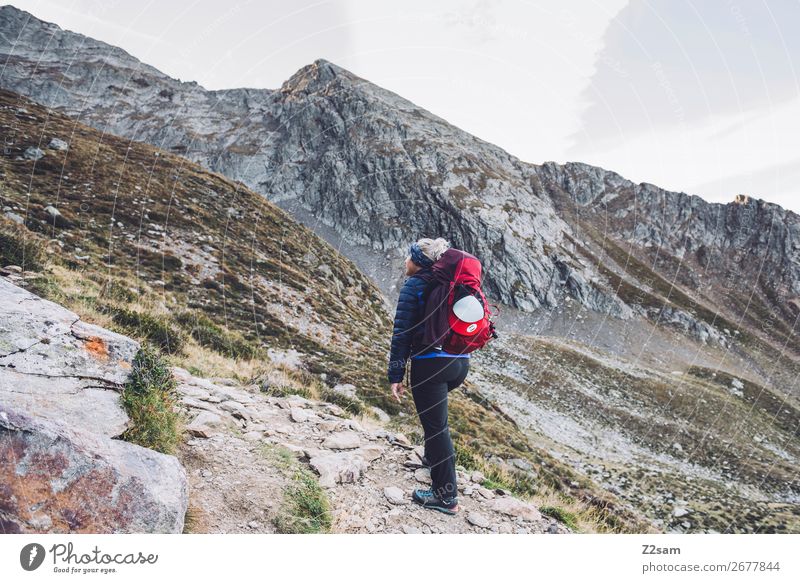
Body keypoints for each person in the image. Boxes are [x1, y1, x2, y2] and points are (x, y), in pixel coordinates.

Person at [387, 237, 470, 515]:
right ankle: (433, 460)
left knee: (437, 429)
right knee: (436, 422)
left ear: (418, 262)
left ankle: (445, 497)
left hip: (431, 365)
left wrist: (395, 374)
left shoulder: (416, 285)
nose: (405, 261)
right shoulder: (450, 283)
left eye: (409, 257)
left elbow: (402, 333)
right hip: (460, 362)